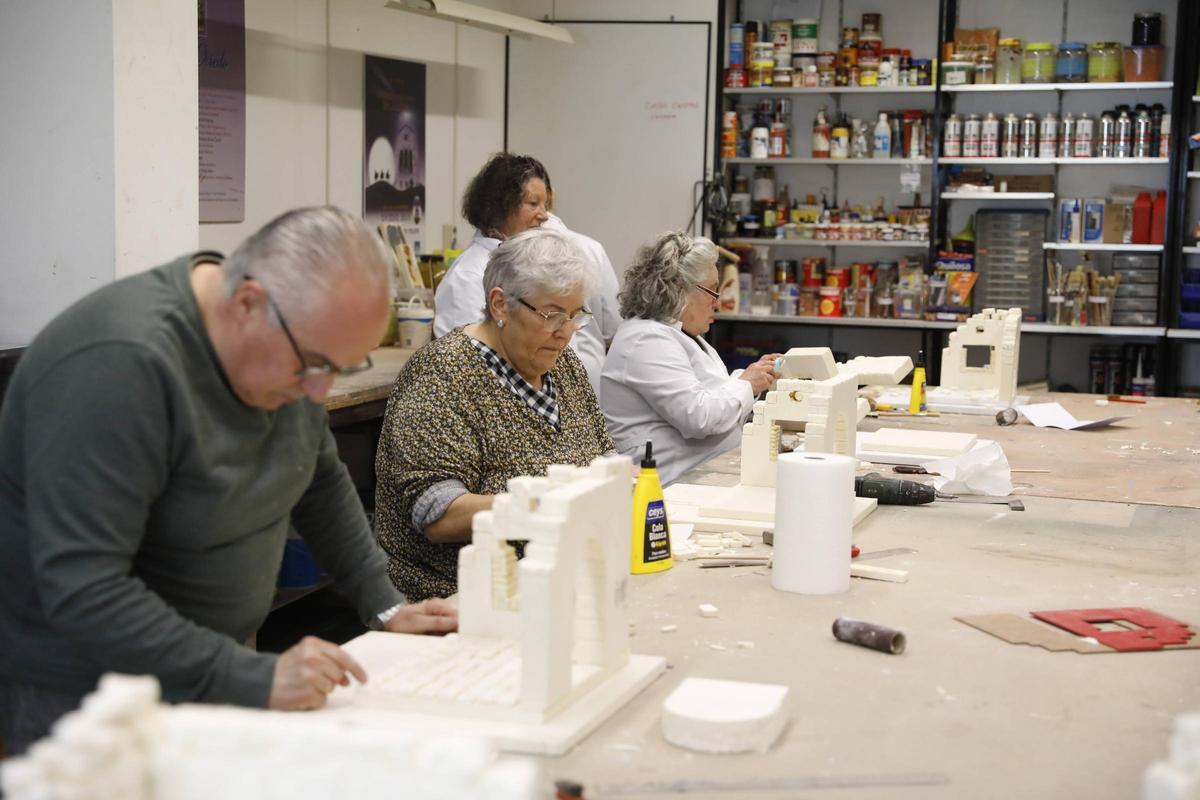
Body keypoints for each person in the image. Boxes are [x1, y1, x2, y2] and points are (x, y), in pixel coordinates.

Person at [0, 207, 457, 755]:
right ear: (247, 304)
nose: (320, 392)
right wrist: (252, 676)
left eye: (342, 367)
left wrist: (383, 603)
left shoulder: (278, 345)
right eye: (313, 364)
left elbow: (317, 478)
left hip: (209, 660)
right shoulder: (118, 367)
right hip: (92, 696)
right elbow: (86, 588)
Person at [376, 227, 614, 602]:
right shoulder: (444, 374)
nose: (565, 332)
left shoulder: (563, 364)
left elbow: (603, 454)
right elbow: (438, 514)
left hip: (557, 579)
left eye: (574, 315)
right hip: (458, 596)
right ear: (501, 304)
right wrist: (546, 503)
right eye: (552, 315)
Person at [600, 232, 780, 485]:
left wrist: (753, 377)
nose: (717, 302)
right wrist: (748, 383)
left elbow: (715, 395)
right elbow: (699, 417)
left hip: (700, 478)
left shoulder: (681, 334)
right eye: (712, 291)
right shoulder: (645, 339)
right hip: (666, 490)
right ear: (679, 288)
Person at [433, 152, 619, 395]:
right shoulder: (467, 277)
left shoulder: (541, 255)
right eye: (533, 204)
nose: (544, 215)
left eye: (546, 205)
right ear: (501, 205)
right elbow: (470, 366)